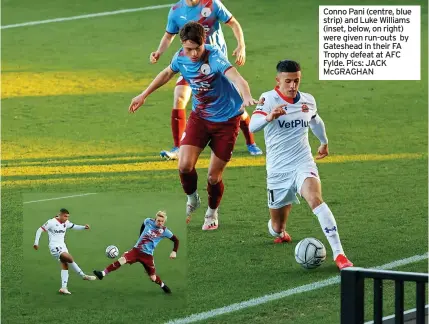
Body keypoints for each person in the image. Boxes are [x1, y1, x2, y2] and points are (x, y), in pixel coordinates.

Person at [129, 22, 260, 230]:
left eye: (197, 48)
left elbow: (237, 78)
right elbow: (166, 74)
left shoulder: (214, 56)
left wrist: (246, 96)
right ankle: (192, 199)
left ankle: (212, 212)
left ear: (203, 43)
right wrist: (144, 94)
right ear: (182, 45)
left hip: (227, 121)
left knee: (213, 177)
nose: (193, 53)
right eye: (188, 49)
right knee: (183, 165)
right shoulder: (180, 57)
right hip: (200, 118)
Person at [249, 60, 354, 270]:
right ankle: (279, 232)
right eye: (288, 81)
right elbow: (253, 125)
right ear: (278, 81)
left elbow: (315, 121)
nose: (292, 85)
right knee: (277, 227)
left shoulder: (308, 100)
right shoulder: (268, 99)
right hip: (278, 170)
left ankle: (339, 254)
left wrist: (324, 142)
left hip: (302, 162)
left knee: (315, 199)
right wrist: (269, 117)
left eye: (296, 81)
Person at [150, 0, 263, 160]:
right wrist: (159, 52)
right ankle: (178, 147)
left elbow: (233, 23)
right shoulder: (176, 10)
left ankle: (250, 142)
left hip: (216, 65)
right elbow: (169, 35)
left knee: (235, 106)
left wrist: (241, 45)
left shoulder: (212, 4)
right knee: (179, 97)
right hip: (191, 63)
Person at [92, 211, 179, 294]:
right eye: (158, 220)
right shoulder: (148, 221)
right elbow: (143, 226)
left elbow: (176, 240)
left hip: (147, 256)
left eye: (162, 221)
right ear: (155, 219)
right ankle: (102, 273)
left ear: (164, 222)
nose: (160, 223)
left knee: (153, 277)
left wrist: (174, 251)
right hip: (136, 251)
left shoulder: (165, 231)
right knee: (122, 260)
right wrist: (140, 237)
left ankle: (162, 285)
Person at [33, 208, 96, 295]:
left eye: (68, 216)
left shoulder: (66, 223)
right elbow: (40, 230)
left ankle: (63, 288)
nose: (67, 218)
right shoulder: (51, 222)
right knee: (69, 258)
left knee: (65, 265)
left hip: (63, 247)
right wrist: (36, 243)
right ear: (60, 215)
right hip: (54, 247)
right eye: (65, 216)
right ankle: (83, 275)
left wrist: (84, 227)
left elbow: (74, 226)